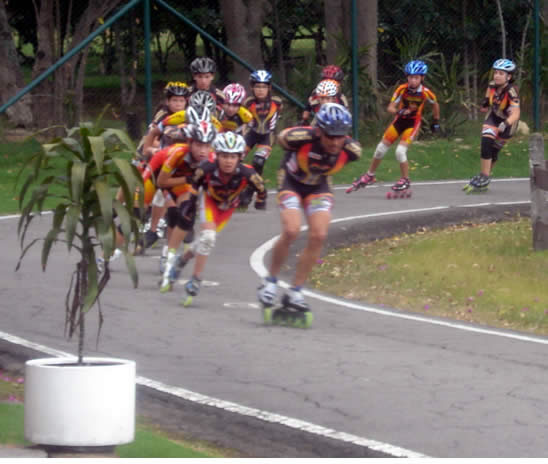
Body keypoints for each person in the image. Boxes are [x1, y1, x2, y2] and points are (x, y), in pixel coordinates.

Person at [257, 103, 361, 312]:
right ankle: (270, 281)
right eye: (330, 136)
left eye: (340, 136)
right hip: (291, 181)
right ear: (319, 131)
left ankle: (296, 290)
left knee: (319, 235)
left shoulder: (352, 150)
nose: (335, 142)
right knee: (291, 230)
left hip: (318, 186)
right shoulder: (300, 137)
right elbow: (282, 138)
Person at [179, 131, 267, 305]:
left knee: (205, 240)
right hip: (210, 201)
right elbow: (194, 184)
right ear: (217, 155)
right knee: (208, 237)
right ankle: (195, 279)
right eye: (224, 156)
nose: (228, 161)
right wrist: (190, 204)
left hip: (228, 207)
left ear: (240, 157)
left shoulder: (248, 173)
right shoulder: (206, 168)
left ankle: (182, 259)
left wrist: (259, 201)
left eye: (233, 157)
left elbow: (262, 189)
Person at [348, 60, 440, 195]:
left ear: (422, 78)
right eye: (410, 77)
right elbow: (390, 108)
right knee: (380, 149)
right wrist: (399, 111)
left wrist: (436, 121)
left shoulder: (426, 93)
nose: (413, 80)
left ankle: (405, 179)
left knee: (400, 151)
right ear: (407, 77)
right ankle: (370, 175)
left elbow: (435, 104)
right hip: (399, 121)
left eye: (416, 78)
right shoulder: (401, 89)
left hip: (413, 123)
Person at [156, 121, 217, 292]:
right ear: (190, 143)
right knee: (175, 215)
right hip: (171, 183)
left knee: (204, 234)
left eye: (207, 145)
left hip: (195, 190)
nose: (203, 150)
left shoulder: (214, 158)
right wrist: (186, 180)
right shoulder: (178, 154)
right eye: (198, 145)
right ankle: (168, 260)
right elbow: (161, 182)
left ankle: (179, 260)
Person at [464, 58, 520, 193]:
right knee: (486, 143)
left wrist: (506, 123)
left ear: (509, 77)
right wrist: (484, 103)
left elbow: (516, 113)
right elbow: (488, 95)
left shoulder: (512, 92)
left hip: (508, 124)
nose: (497, 76)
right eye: (495, 72)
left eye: (501, 73)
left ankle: (485, 176)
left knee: (494, 151)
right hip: (493, 118)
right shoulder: (492, 85)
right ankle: (484, 176)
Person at [239, 69, 283, 208]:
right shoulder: (248, 102)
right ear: (252, 87)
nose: (260, 90)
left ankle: (254, 191)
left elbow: (277, 115)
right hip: (251, 134)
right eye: (257, 86)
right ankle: (235, 189)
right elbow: (243, 119)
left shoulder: (277, 102)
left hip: (267, 136)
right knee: (235, 159)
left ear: (269, 88)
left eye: (264, 86)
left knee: (258, 161)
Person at [136, 81, 190, 162]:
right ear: (167, 102)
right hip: (153, 149)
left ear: (186, 102)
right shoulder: (163, 114)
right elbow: (153, 140)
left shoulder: (188, 115)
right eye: (174, 100)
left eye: (181, 101)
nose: (178, 104)